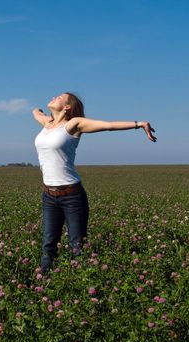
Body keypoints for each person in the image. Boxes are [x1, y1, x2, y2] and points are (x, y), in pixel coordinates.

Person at [33, 92, 157, 274]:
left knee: (77, 247)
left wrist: (139, 124)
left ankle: (80, 286)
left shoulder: (74, 124)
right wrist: (38, 110)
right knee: (48, 246)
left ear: (67, 107)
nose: (54, 97)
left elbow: (108, 126)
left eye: (60, 97)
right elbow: (35, 112)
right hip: (49, 196)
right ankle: (42, 284)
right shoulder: (47, 123)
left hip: (72, 196)